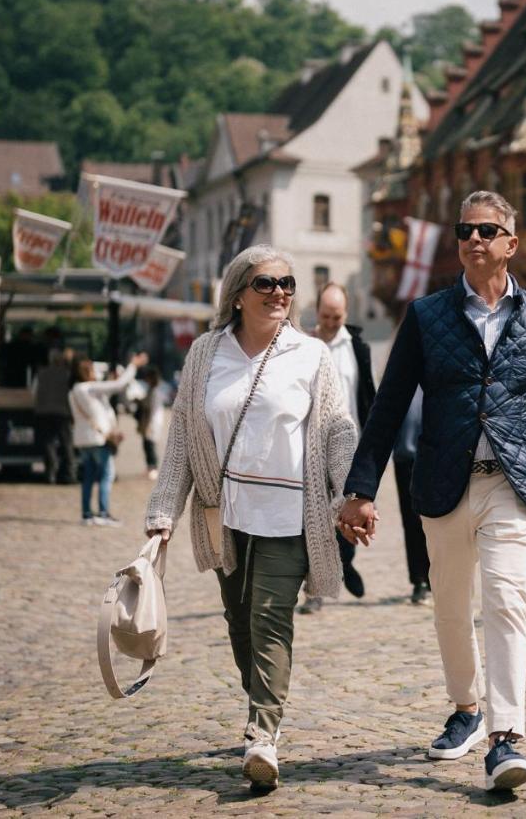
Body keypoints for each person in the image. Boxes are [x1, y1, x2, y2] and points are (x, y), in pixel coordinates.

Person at [337, 190, 526, 792]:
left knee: (507, 599)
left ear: (510, 242)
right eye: (465, 230)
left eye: (487, 231)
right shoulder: (426, 317)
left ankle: (506, 738)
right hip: (443, 483)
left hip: (513, 481)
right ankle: (468, 709)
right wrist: (360, 488)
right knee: (451, 606)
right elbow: (389, 405)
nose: (474, 240)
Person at [143, 246, 357, 789]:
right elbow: (183, 439)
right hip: (225, 514)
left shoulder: (310, 355)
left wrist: (352, 492)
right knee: (239, 624)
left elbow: (337, 429)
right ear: (237, 293)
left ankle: (262, 734)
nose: (280, 292)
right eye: (266, 284)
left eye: (287, 283)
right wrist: (163, 511)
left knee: (270, 619)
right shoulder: (205, 354)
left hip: (290, 515)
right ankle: (261, 705)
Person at [299, 282, 376, 613]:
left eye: (338, 316)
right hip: (313, 446)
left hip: (353, 446)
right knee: (314, 518)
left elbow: (369, 395)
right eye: (326, 315)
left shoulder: (357, 348)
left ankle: (345, 562)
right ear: (317, 313)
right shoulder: (304, 345)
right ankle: (313, 590)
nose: (332, 321)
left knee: (349, 514)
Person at [69, 351, 148, 526]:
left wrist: (108, 382)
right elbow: (120, 385)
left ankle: (87, 514)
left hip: (83, 440)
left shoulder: (74, 391)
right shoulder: (89, 387)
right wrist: (133, 365)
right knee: (107, 474)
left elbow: (101, 402)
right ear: (86, 373)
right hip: (98, 439)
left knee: (88, 476)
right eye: (92, 371)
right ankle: (104, 513)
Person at [394, 388, 432, 605]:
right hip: (407, 455)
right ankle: (419, 579)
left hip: (441, 453)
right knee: (412, 520)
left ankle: (439, 576)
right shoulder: (399, 360)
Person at [35, 348, 76, 484]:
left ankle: (51, 473)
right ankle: (69, 474)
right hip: (63, 411)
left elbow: (34, 391)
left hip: (44, 411)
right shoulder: (67, 374)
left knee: (48, 443)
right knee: (66, 444)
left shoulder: (41, 373)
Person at [136, 365, 166, 481]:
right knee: (146, 445)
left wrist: (149, 425)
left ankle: (153, 467)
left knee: (150, 445)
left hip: (152, 422)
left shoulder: (156, 391)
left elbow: (153, 409)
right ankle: (149, 466)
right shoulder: (151, 390)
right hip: (148, 422)